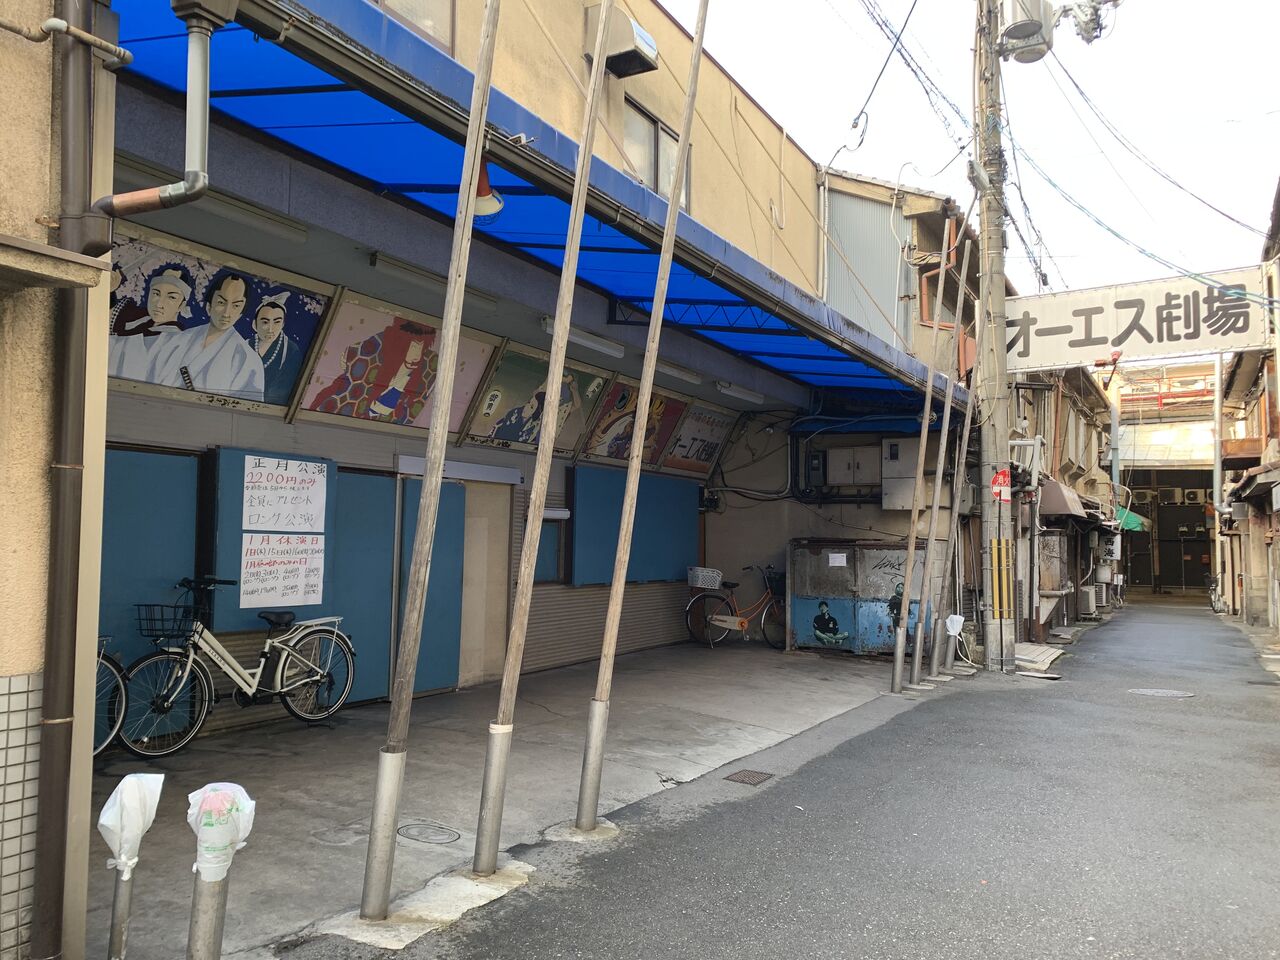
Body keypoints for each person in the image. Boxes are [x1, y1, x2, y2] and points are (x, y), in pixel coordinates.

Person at [145, 269, 265, 402]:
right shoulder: (177, 339)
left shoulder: (248, 359)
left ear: (241, 313)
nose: (227, 313)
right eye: (221, 302)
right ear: (209, 306)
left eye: (236, 306)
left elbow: (251, 408)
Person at [310, 317, 438, 423]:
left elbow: (408, 415)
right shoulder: (373, 350)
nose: (416, 356)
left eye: (422, 348)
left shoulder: (428, 369)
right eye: (413, 347)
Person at [107, 265, 192, 381]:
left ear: (182, 305)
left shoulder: (181, 343)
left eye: (171, 297)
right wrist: (109, 290)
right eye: (156, 294)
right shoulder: (133, 318)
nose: (159, 304)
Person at [250, 291, 302, 405]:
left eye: (277, 322)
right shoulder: (245, 345)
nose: (271, 329)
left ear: (283, 324)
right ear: (254, 324)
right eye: (265, 322)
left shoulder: (290, 351)